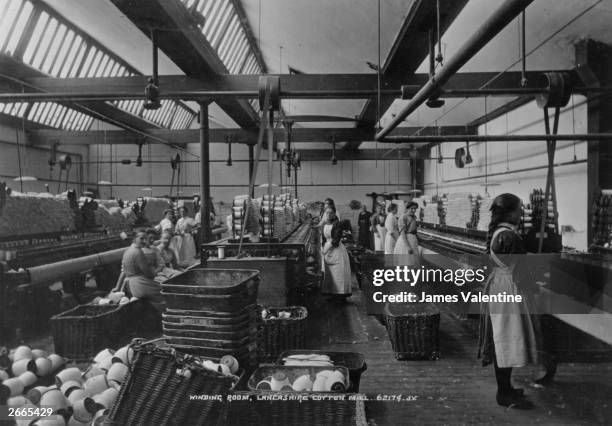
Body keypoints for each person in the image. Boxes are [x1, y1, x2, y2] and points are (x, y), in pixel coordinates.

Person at [477, 193, 540, 409]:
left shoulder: (498, 233)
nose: (521, 214)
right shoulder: (510, 237)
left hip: (500, 286)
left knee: (503, 340)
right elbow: (522, 271)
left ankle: (506, 388)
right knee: (507, 339)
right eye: (519, 209)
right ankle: (503, 394)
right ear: (510, 212)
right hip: (508, 290)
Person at [120, 229, 164, 311]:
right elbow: (149, 274)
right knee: (164, 292)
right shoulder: (138, 252)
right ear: (134, 239)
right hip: (142, 284)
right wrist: (155, 273)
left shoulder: (127, 251)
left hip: (133, 285)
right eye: (141, 238)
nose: (144, 241)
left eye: (145, 239)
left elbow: (125, 271)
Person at [321, 208, 352, 301]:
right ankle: (333, 295)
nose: (329, 215)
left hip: (337, 250)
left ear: (334, 214)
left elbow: (336, 240)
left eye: (331, 213)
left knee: (339, 275)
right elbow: (324, 238)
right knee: (331, 275)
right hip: (328, 249)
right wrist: (324, 247)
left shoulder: (337, 224)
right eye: (327, 213)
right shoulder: (325, 224)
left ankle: (340, 297)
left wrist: (325, 249)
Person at [394, 201, 420, 265]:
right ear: (407, 208)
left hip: (413, 240)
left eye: (415, 209)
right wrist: (408, 247)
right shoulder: (403, 217)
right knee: (406, 262)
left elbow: (415, 232)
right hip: (405, 242)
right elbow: (403, 233)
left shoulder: (414, 217)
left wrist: (425, 239)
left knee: (412, 262)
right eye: (412, 208)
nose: (414, 210)